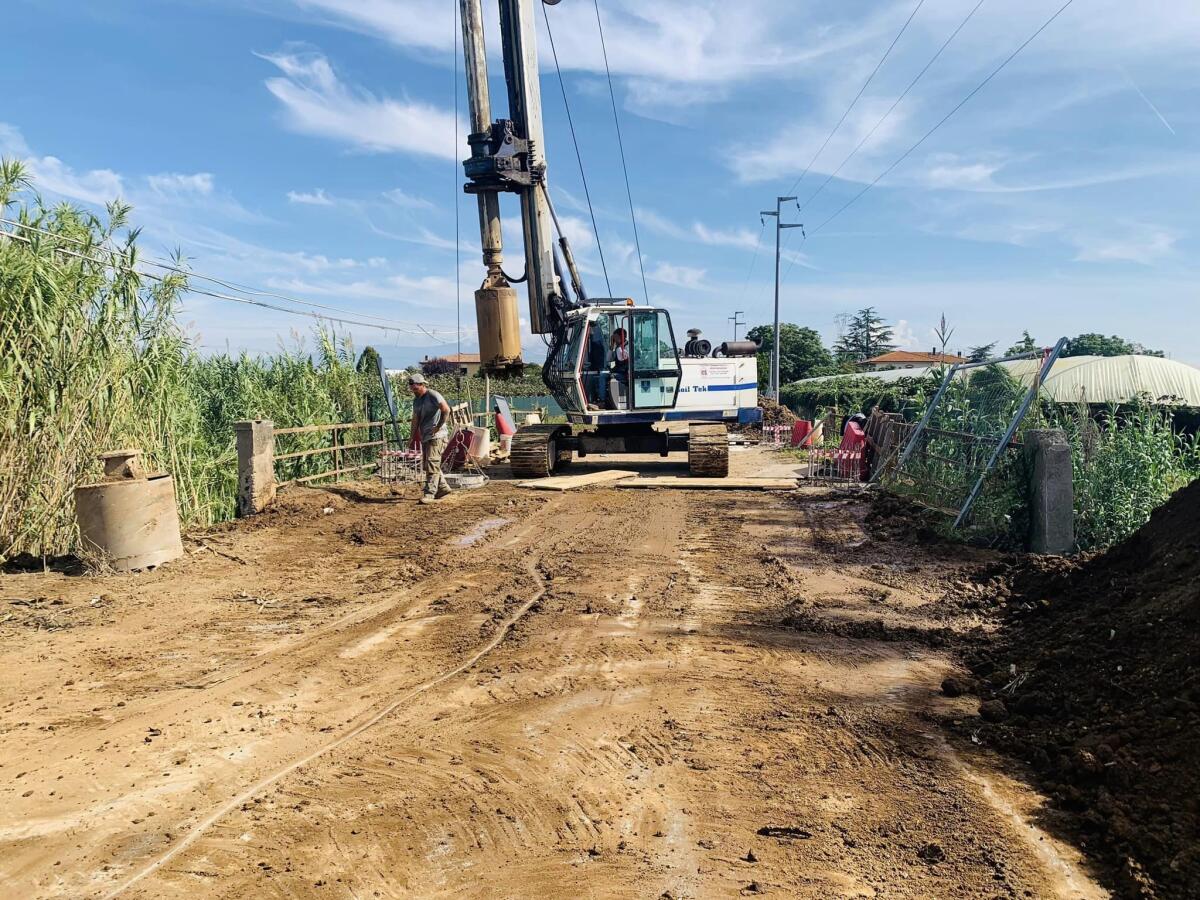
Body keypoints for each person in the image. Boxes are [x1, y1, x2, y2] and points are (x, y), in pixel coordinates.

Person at [408, 372, 452, 504]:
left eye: (415, 387)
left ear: (422, 385)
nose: (413, 390)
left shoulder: (432, 395)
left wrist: (438, 426)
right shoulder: (416, 400)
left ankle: (429, 493)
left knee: (432, 462)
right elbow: (415, 419)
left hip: (437, 435)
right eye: (411, 387)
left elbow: (446, 410)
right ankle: (443, 487)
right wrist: (411, 437)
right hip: (426, 435)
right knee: (429, 464)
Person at [585, 323, 607, 410]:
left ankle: (602, 401)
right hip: (615, 369)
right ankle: (596, 400)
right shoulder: (617, 348)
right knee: (595, 378)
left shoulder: (624, 348)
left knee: (602, 376)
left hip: (622, 371)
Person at [609, 327, 629, 407]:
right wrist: (611, 347)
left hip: (624, 373)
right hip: (620, 371)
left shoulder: (626, 347)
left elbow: (622, 360)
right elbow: (608, 359)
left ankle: (602, 401)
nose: (615, 340)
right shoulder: (618, 347)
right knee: (602, 376)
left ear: (622, 337)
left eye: (616, 337)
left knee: (609, 377)